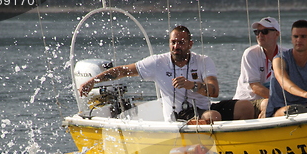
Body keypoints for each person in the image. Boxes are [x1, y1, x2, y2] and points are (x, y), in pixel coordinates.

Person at [79, 25, 253, 122]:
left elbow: (214, 91)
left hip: (204, 108)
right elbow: (123, 71)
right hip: (179, 115)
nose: (176, 46)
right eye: (173, 42)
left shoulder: (203, 61)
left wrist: (191, 85)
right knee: (213, 116)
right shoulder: (158, 62)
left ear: (190, 44)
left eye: (181, 42)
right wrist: (93, 81)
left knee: (246, 106)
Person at [266, 20, 307, 117]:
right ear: (291, 39)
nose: (299, 40)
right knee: (293, 110)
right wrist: (304, 93)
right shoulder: (279, 59)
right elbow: (284, 82)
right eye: (296, 36)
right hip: (279, 109)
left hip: (304, 108)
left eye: (303, 37)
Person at [233, 17, 286, 118]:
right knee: (268, 104)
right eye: (257, 32)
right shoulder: (250, 54)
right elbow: (255, 87)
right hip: (248, 102)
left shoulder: (286, 54)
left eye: (265, 31)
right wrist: (280, 100)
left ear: (277, 34)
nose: (260, 35)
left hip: (273, 99)